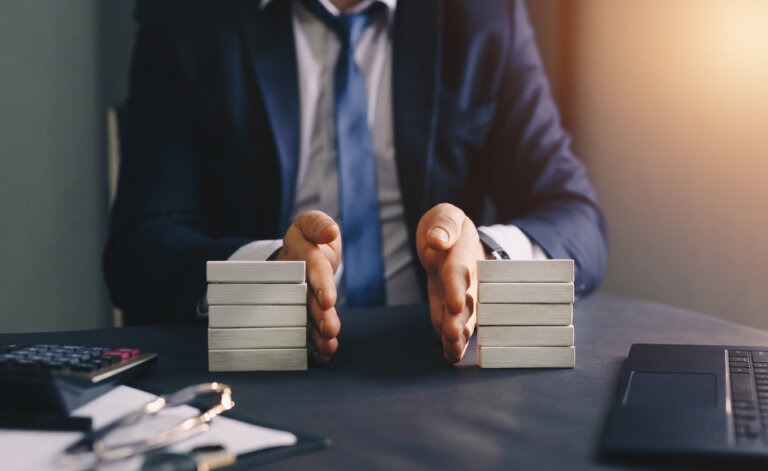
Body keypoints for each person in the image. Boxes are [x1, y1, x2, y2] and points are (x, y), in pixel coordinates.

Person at [104, 0, 608, 365]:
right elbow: (140, 246)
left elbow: (575, 216)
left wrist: (483, 256)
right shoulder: (188, 16)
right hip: (267, 368)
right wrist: (270, 270)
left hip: (438, 360)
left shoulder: (483, 13)